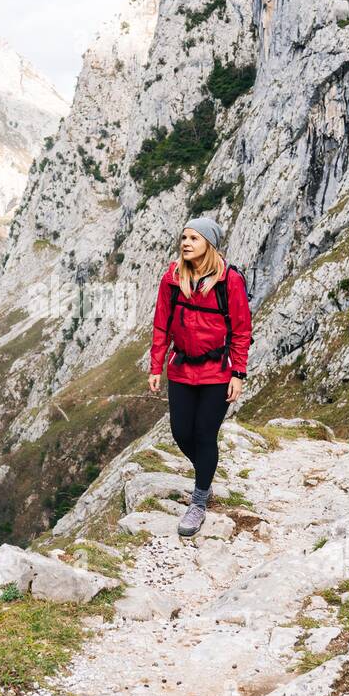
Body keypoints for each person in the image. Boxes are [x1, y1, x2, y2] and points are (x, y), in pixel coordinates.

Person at [147, 216, 251, 536]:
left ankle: (199, 501)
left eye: (194, 238)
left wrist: (238, 373)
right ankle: (206, 472)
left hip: (216, 372)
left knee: (205, 435)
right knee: (181, 433)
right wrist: (155, 366)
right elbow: (162, 324)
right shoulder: (172, 278)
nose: (186, 243)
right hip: (181, 369)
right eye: (184, 238)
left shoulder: (229, 281)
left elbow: (241, 330)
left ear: (209, 244)